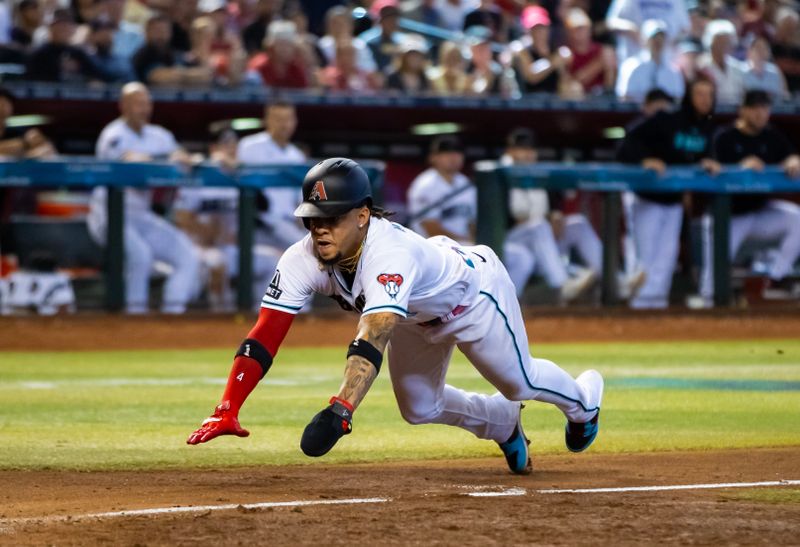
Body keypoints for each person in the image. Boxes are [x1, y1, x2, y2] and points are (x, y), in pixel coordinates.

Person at [187, 157, 605, 476]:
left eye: (332, 218)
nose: (320, 229)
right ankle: (500, 423)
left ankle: (585, 403)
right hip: (414, 316)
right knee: (420, 408)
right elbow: (264, 335)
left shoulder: (389, 255)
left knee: (519, 381)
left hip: (472, 297)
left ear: (363, 215)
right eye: (313, 219)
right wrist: (229, 405)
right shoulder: (302, 258)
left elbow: (374, 334)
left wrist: (341, 408)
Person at [86, 82, 202, 314]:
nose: (143, 108)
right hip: (109, 214)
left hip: (141, 214)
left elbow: (181, 156)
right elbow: (128, 159)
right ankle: (134, 316)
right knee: (141, 257)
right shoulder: (113, 134)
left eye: (146, 103)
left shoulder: (159, 135)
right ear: (123, 106)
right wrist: (165, 158)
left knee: (188, 254)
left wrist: (181, 156)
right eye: (137, 103)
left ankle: (173, 313)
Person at [616, 76, 721, 309]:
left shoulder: (708, 127)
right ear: (688, 97)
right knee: (645, 257)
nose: (705, 100)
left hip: (673, 200)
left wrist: (709, 161)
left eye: (709, 95)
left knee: (666, 257)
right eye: (700, 94)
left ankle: (656, 311)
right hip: (647, 197)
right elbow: (628, 139)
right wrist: (644, 160)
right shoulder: (668, 119)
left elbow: (703, 155)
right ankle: (637, 310)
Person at [699, 89, 800, 302]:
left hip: (758, 213)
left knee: (797, 219)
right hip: (726, 217)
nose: (760, 113)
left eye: (764, 108)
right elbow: (709, 166)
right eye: (754, 108)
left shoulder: (772, 135)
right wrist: (738, 168)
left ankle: (773, 277)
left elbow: (790, 154)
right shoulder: (724, 136)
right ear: (742, 110)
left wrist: (793, 159)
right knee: (713, 278)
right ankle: (707, 316)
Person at [236, 102, 307, 251]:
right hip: (261, 219)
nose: (284, 124)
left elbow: (301, 199)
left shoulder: (297, 156)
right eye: (278, 119)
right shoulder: (250, 145)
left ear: (295, 122)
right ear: (267, 120)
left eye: (288, 119)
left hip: (289, 222)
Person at [615, 19, 685, 104]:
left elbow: (678, 99)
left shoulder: (673, 71)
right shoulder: (630, 66)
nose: (658, 41)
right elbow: (624, 98)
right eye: (654, 37)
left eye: (661, 37)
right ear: (644, 39)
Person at [697, 20, 745, 105]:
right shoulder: (702, 67)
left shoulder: (738, 67)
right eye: (719, 42)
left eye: (727, 42)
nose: (723, 46)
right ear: (710, 43)